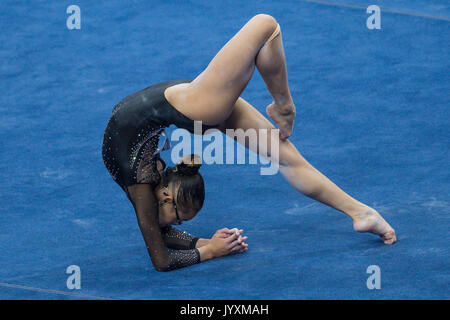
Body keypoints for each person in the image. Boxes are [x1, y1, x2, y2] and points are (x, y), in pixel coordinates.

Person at [102, 14, 396, 272]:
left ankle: (285, 106)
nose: (176, 225)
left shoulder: (141, 186)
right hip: (187, 101)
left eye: (180, 219)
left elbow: (161, 259)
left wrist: (209, 250)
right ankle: (363, 213)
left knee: (265, 25)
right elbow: (160, 236)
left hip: (195, 106)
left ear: (167, 198)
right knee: (286, 159)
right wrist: (210, 244)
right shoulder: (150, 183)